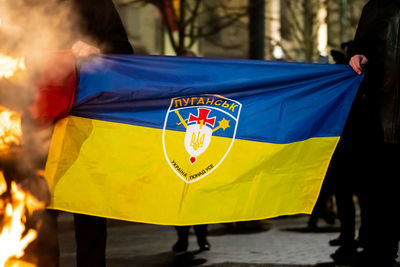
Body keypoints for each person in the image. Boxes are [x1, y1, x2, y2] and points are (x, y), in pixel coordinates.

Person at [25, 1, 134, 267]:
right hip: (36, 127)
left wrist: (100, 52)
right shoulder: (20, 7)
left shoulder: (96, 4)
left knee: (89, 215)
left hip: (87, 124)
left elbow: (124, 55)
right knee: (37, 217)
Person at [346, 0, 400, 266]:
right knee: (380, 205)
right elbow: (361, 45)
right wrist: (357, 54)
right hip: (380, 123)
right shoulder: (378, 6)